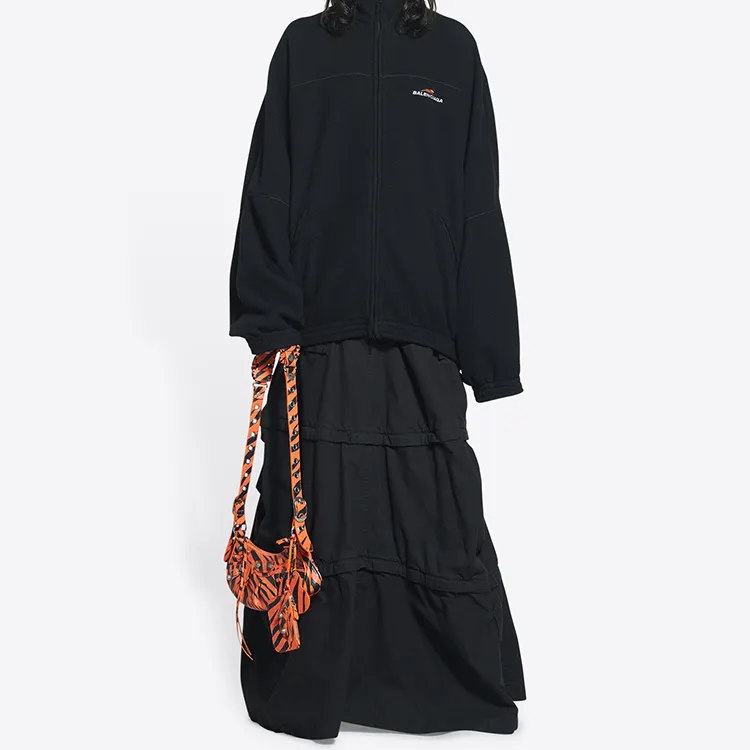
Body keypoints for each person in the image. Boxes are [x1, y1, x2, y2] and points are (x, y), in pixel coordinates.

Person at [228, 0, 525, 738]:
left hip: (423, 334)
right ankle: (315, 681)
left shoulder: (453, 52)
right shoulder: (302, 48)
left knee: (435, 508)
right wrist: (270, 318)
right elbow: (268, 184)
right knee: (317, 510)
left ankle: (441, 683)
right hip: (318, 336)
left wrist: (488, 348)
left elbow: (476, 201)